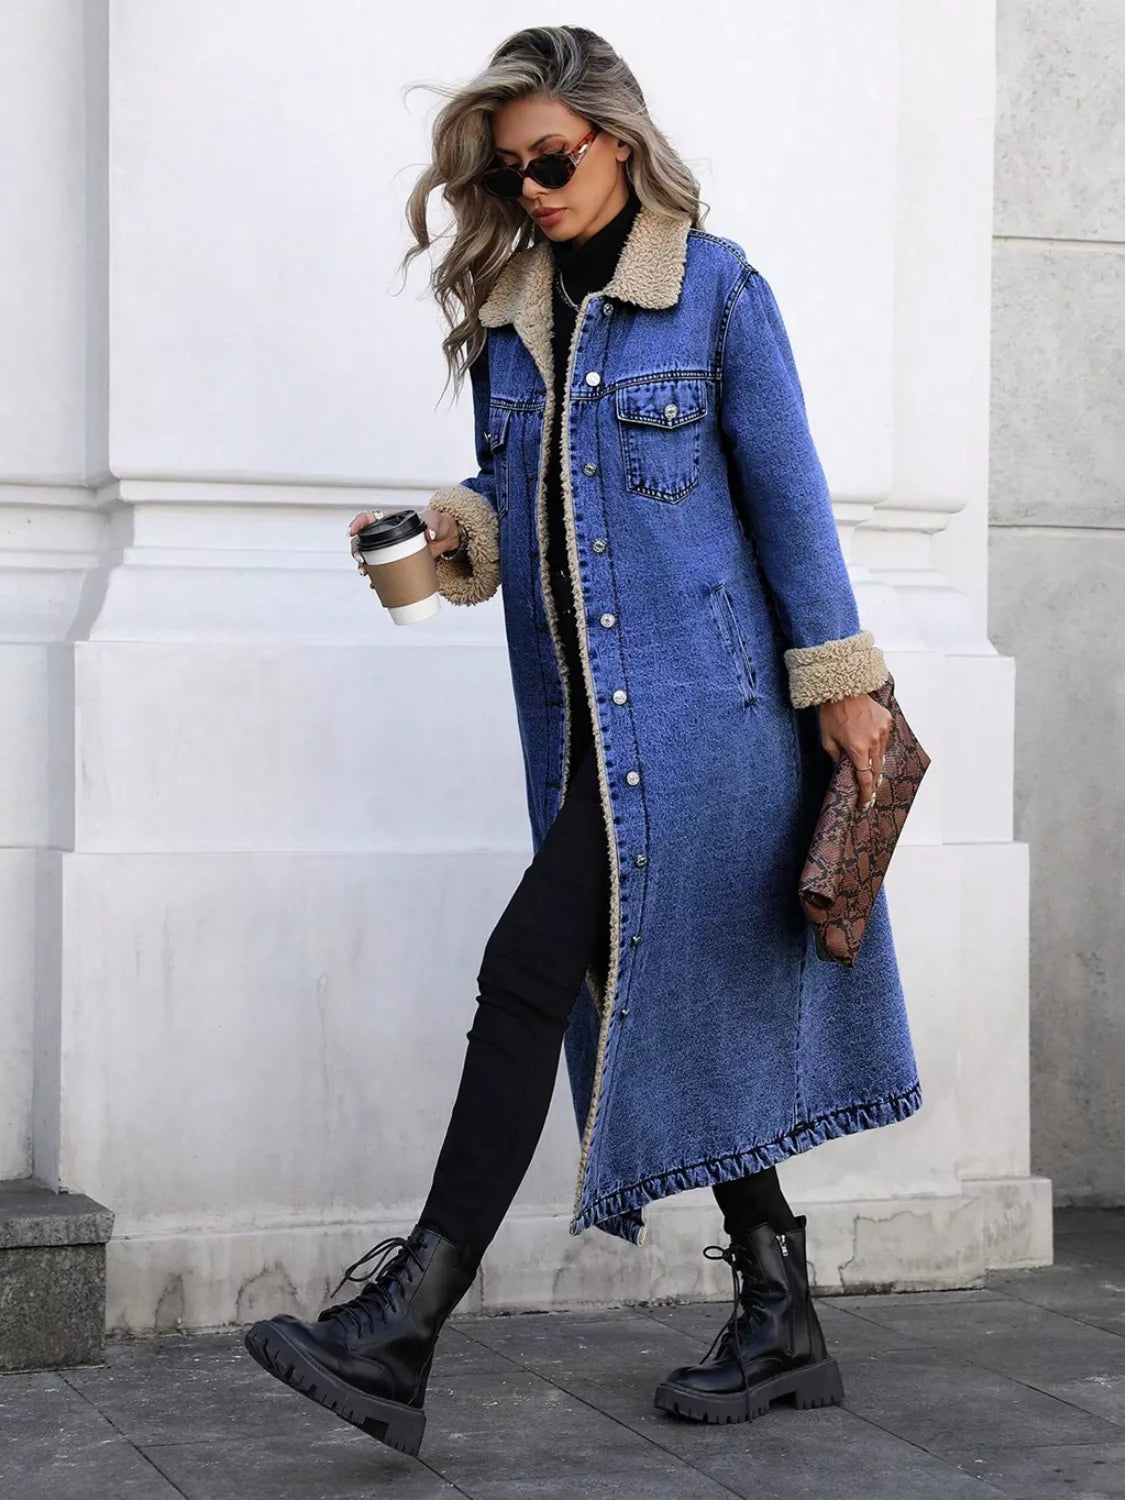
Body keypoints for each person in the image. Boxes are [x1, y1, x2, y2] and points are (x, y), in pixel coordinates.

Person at [244, 25, 922, 1456]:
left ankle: (402, 1325)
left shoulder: (717, 294)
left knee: (526, 974)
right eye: (512, 172)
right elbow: (533, 508)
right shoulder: (513, 318)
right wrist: (448, 534)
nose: (534, 190)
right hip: (588, 742)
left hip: (711, 730)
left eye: (552, 160)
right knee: (650, 1001)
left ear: (619, 138)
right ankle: (781, 1314)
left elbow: (791, 505)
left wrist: (844, 687)